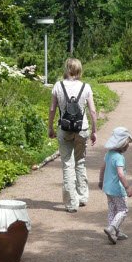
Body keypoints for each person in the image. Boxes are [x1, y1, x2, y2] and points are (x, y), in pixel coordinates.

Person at [48, 58, 97, 213]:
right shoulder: (86, 87)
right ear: (79, 70)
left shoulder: (58, 85)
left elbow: (52, 109)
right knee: (80, 161)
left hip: (64, 129)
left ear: (67, 69)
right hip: (82, 129)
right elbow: (93, 111)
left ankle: (71, 203)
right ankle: (82, 197)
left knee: (68, 164)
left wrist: (50, 128)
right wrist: (94, 131)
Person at [98, 126, 132, 244]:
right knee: (123, 210)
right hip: (117, 189)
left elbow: (102, 168)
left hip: (107, 188)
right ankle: (112, 228)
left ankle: (115, 232)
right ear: (123, 144)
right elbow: (120, 174)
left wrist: (100, 181)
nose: (128, 145)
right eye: (127, 143)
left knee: (112, 209)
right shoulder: (119, 158)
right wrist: (127, 187)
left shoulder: (108, 154)